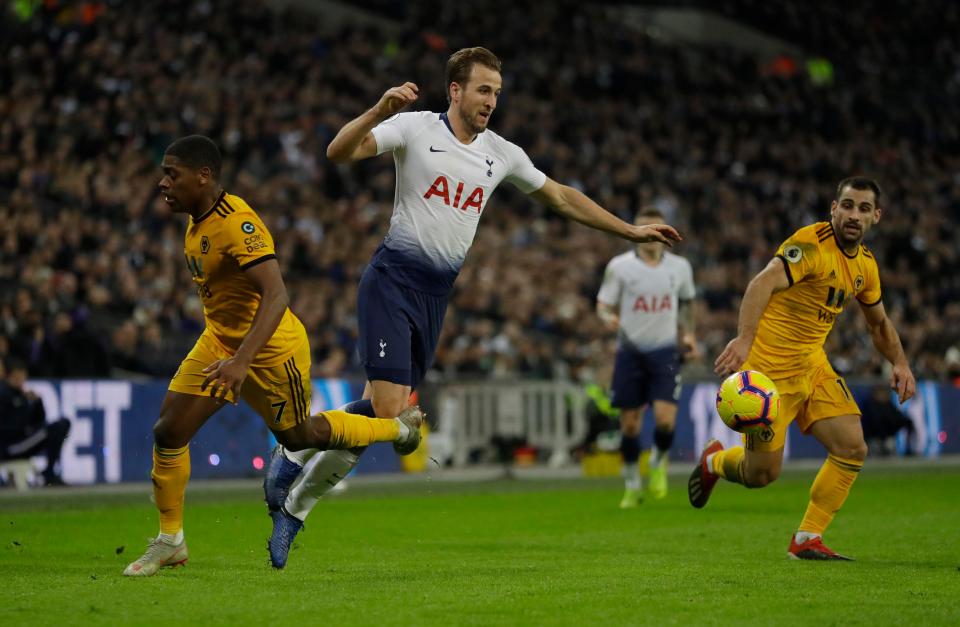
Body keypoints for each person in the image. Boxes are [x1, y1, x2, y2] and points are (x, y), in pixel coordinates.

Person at [263, 46, 682, 567]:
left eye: (497, 94)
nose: (491, 102)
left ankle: (294, 466)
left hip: (435, 299)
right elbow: (338, 153)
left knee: (375, 412)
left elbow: (562, 197)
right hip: (391, 281)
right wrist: (377, 111)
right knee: (393, 412)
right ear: (455, 90)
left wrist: (630, 229)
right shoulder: (415, 128)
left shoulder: (501, 152)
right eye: (483, 90)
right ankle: (296, 496)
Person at [123, 135, 424, 577]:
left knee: (299, 435)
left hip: (269, 350)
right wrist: (232, 353)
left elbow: (277, 294)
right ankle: (171, 540)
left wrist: (242, 361)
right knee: (169, 431)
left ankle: (395, 429)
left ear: (203, 176)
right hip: (220, 343)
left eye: (173, 173)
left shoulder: (237, 224)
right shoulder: (196, 220)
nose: (163, 182)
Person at [691, 176, 916, 560]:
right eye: (847, 205)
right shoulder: (810, 245)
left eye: (863, 209)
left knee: (852, 447)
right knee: (761, 475)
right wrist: (744, 339)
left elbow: (878, 323)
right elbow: (761, 283)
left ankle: (807, 538)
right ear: (834, 208)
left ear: (876, 217)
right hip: (767, 377)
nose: (853, 215)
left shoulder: (865, 265)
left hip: (812, 365)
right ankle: (713, 462)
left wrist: (899, 361)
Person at [596, 207, 697, 507]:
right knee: (629, 425)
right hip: (630, 352)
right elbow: (603, 303)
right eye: (645, 229)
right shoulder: (620, 267)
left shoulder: (679, 268)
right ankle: (631, 484)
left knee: (665, 421)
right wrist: (606, 318)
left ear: (666, 233)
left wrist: (689, 334)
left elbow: (688, 304)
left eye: (657, 229)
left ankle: (659, 462)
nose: (651, 236)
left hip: (665, 351)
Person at [0, 357, 70, 486]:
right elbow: (8, 426)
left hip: (23, 441)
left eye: (22, 377)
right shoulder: (4, 395)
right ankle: (49, 474)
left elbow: (38, 420)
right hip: (9, 447)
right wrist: (25, 425)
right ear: (9, 376)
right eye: (16, 377)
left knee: (62, 424)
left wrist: (37, 403)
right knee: (52, 429)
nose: (20, 381)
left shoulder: (21, 395)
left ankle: (50, 471)